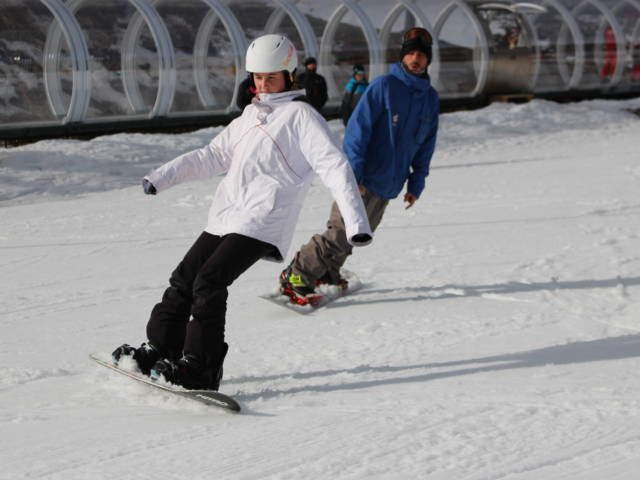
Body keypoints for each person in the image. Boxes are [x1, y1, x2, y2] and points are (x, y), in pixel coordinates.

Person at [111, 34, 373, 391]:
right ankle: (160, 348)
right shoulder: (251, 115)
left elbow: (334, 166)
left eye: (271, 77)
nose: (263, 85)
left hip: (263, 219)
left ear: (289, 76)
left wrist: (356, 222)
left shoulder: (301, 117)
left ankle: (201, 367)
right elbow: (212, 156)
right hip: (228, 214)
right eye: (258, 78)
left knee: (210, 282)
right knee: (184, 278)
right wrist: (161, 177)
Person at [280, 27, 439, 304]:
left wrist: (416, 183)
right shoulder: (384, 87)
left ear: (428, 60)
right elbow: (357, 132)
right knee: (339, 233)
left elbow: (426, 145)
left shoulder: (430, 98)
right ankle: (297, 274)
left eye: (421, 55)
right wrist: (354, 175)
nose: (415, 59)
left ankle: (328, 272)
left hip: (389, 184)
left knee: (358, 235)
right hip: (362, 179)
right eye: (411, 53)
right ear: (403, 56)